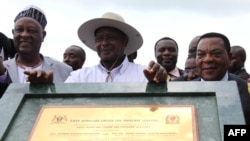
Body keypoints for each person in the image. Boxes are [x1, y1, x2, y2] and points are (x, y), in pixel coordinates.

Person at [63, 12, 166, 83]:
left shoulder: (145, 74)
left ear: (124, 41)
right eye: (99, 39)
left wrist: (158, 85)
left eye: (110, 37)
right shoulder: (79, 77)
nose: (104, 43)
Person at [0, 5, 72, 84]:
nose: (24, 35)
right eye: (19, 30)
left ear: (43, 35)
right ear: (13, 33)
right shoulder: (2, 69)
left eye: (32, 31)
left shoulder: (64, 70)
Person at [193, 32, 250, 124]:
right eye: (201, 54)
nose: (208, 59)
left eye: (216, 54)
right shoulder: (180, 90)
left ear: (230, 57)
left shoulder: (247, 90)